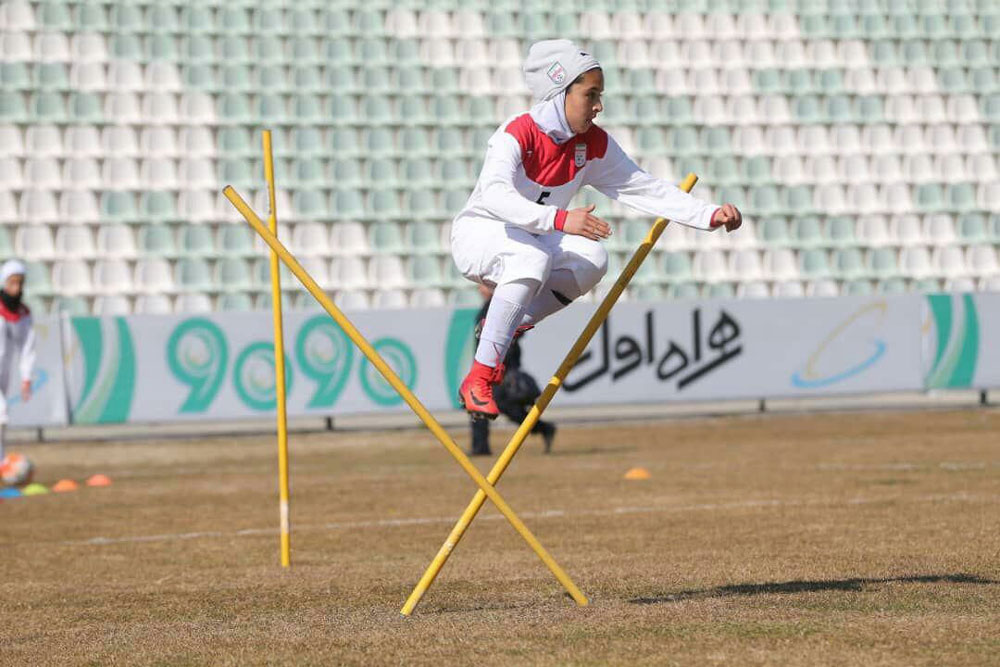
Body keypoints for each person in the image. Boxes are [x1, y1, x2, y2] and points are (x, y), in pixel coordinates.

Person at [451, 39, 743, 419]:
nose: (598, 106)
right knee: (531, 257)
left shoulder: (593, 144)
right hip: (479, 235)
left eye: (599, 96)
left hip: (532, 241)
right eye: (591, 95)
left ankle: (510, 324)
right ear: (560, 93)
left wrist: (708, 214)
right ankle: (478, 378)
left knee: (592, 258)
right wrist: (559, 220)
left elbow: (644, 187)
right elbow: (493, 195)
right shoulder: (517, 131)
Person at [470, 285, 556, 457]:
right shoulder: (489, 306)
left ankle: (542, 428)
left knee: (497, 404)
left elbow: (514, 333)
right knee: (481, 404)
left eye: (483, 285)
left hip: (500, 366)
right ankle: (480, 447)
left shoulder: (501, 305)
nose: (480, 289)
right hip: (489, 365)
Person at [0, 259, 34, 462]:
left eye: (20, 282)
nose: (17, 287)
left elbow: (27, 347)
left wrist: (26, 377)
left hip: (4, 372)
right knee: (1, 412)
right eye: (12, 282)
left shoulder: (23, 313)